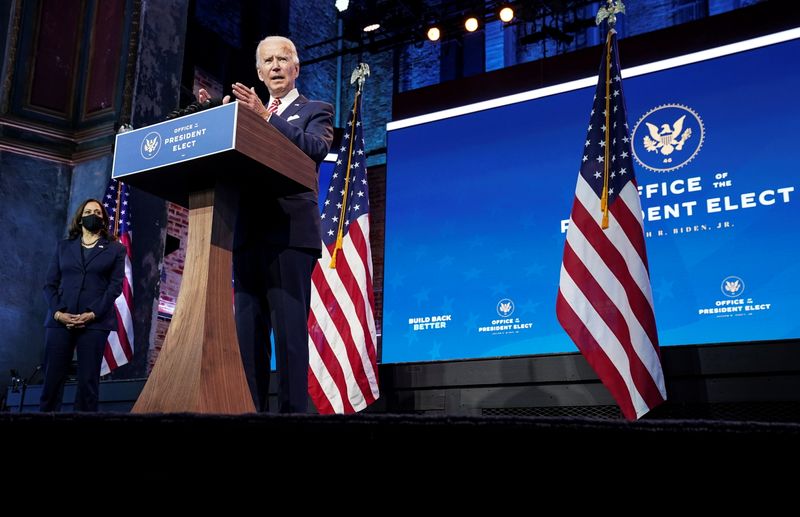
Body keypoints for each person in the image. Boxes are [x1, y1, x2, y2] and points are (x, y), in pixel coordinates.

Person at [199, 36, 334, 413]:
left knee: (289, 335)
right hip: (245, 236)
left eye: (283, 59)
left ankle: (292, 416)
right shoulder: (245, 113)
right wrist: (215, 115)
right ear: (258, 72)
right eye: (267, 61)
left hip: (289, 237)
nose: (275, 66)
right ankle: (250, 413)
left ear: (296, 67)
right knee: (247, 336)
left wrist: (266, 117)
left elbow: (315, 149)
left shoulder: (316, 110)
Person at [40, 199, 126, 412]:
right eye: (88, 211)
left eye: (98, 212)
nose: (93, 215)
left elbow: (115, 287)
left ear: (104, 219)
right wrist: (58, 313)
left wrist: (92, 314)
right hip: (60, 320)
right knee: (52, 380)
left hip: (95, 323)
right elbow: (49, 285)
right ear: (80, 219)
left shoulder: (115, 249)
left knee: (88, 381)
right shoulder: (64, 247)